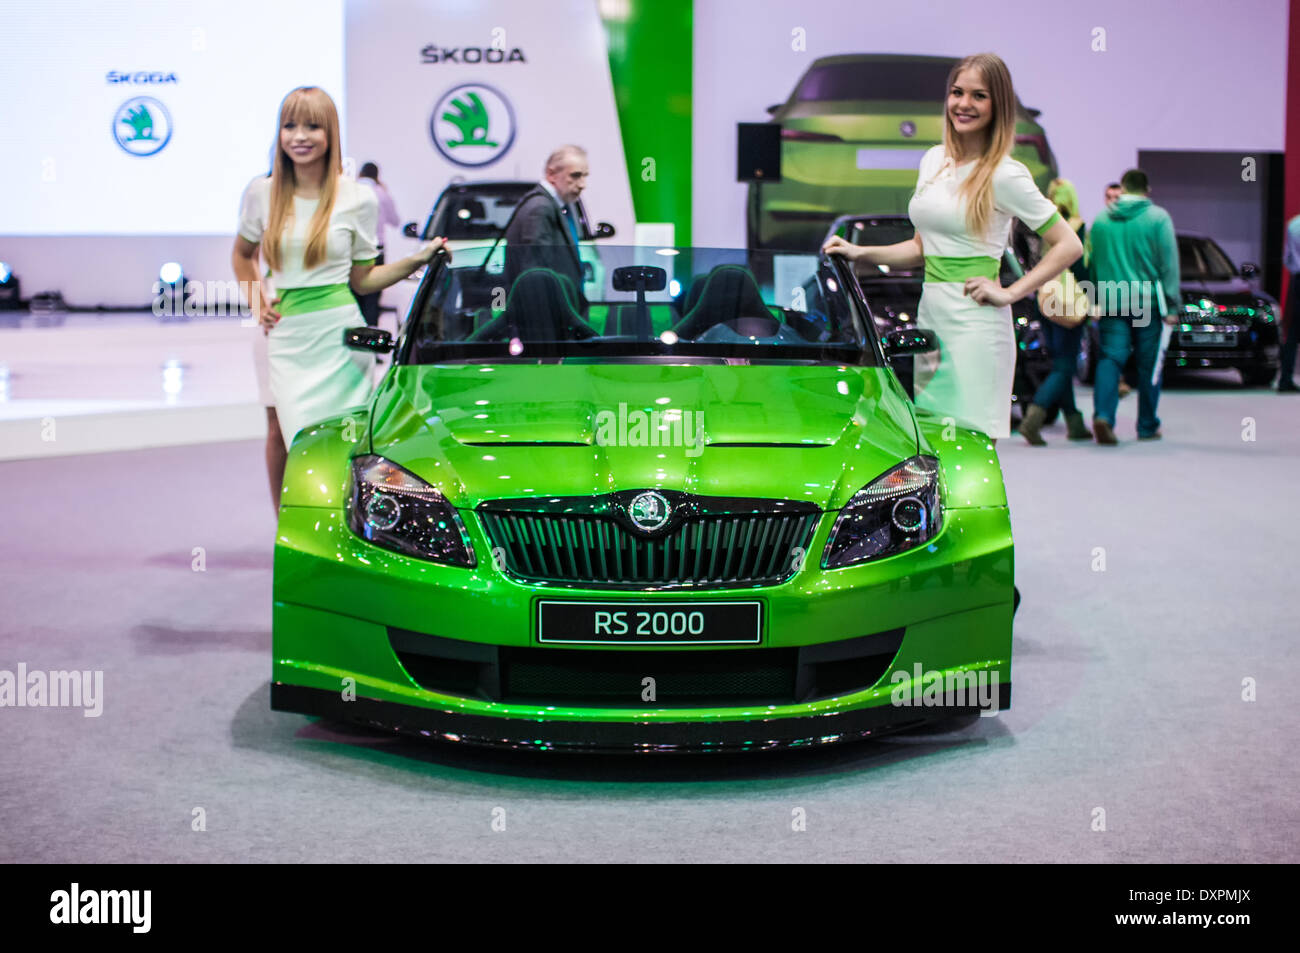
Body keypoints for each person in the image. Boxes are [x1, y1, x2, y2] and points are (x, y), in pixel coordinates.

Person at [824, 53, 1082, 443]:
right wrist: (862, 253)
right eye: (957, 93)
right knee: (934, 448)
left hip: (976, 327)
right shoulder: (933, 161)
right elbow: (921, 248)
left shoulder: (1005, 173)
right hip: (933, 319)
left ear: (998, 106)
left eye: (979, 96)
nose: (964, 104)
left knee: (972, 448)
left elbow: (1068, 244)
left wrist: (1010, 291)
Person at [231, 87, 449, 508]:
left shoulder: (358, 197)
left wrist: (418, 259)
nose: (300, 136)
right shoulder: (262, 193)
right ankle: (293, 534)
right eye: (290, 125)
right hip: (288, 338)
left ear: (330, 133)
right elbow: (241, 256)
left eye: (312, 125)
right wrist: (257, 300)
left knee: (346, 441)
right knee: (295, 440)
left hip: (340, 339)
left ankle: (351, 532)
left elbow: (364, 279)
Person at [1088, 168, 1179, 443]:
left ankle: (1103, 415)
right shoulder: (1158, 218)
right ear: (1147, 190)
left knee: (1110, 358)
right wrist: (1173, 306)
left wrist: (1094, 300)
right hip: (1146, 304)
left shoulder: (1102, 220)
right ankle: (1147, 425)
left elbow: (1094, 263)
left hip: (1111, 301)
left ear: (1123, 188)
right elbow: (1169, 264)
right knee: (1148, 365)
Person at [1019, 178, 1092, 444]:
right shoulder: (1076, 228)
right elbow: (1081, 268)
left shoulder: (1039, 228)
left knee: (1061, 362)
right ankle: (1033, 420)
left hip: (1045, 301)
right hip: (1070, 301)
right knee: (1065, 365)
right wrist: (1092, 298)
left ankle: (1074, 421)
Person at [504, 145, 589, 312]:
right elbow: (536, 274)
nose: (582, 185)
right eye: (575, 175)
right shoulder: (540, 209)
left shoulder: (549, 206)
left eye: (585, 176)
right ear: (551, 174)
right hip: (548, 318)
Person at [354, 161, 401, 328]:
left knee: (354, 297)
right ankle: (371, 343)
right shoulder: (381, 193)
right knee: (372, 298)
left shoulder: (349, 191)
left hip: (352, 252)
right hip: (375, 250)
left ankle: (354, 339)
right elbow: (395, 221)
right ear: (377, 175)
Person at [1277, 212, 1300, 392]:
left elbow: (1288, 258)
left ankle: (1285, 378)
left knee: (1292, 331)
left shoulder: (1293, 224)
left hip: (1298, 280)